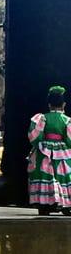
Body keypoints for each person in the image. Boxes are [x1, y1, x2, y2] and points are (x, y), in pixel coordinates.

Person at [28, 85, 71, 215]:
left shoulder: (42, 118)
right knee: (63, 175)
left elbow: (35, 136)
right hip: (61, 151)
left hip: (44, 151)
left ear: (49, 104)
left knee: (45, 174)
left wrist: (41, 142)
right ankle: (65, 204)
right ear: (63, 104)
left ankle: (44, 203)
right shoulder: (66, 120)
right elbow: (69, 139)